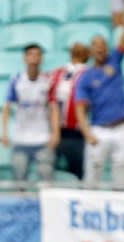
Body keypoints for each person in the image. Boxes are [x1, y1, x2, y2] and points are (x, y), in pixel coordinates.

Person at [75, 4, 124, 190]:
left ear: (107, 48)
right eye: (96, 47)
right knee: (93, 171)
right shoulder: (86, 77)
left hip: (121, 127)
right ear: (91, 51)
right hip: (99, 129)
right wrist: (87, 133)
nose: (100, 49)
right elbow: (80, 108)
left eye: (103, 46)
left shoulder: (115, 61)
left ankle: (120, 209)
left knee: (121, 169)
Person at [0, 44, 54, 183]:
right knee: (19, 179)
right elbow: (7, 107)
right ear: (25, 58)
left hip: (42, 138)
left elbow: (54, 108)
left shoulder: (47, 80)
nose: (34, 58)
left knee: (46, 179)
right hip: (21, 139)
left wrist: (56, 132)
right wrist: (4, 132)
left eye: (38, 55)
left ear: (42, 58)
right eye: (31, 54)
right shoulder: (16, 80)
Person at [48, 43, 89, 180]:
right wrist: (55, 131)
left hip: (79, 133)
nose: (77, 48)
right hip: (59, 130)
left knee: (79, 171)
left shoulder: (90, 74)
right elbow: (52, 102)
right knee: (51, 170)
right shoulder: (58, 73)